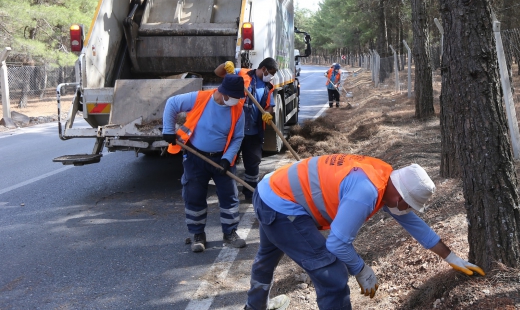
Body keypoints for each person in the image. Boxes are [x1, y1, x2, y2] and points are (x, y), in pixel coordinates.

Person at [243, 154, 484, 310]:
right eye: (409, 205)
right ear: (400, 197)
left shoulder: (383, 178)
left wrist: (451, 257)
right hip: (281, 206)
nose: (408, 210)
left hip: (270, 190)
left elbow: (413, 223)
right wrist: (361, 269)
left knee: (267, 258)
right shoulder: (367, 193)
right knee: (334, 275)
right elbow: (336, 244)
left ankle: (254, 307)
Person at [162, 75, 248, 253]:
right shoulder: (199, 98)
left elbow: (238, 137)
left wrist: (227, 158)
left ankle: (230, 233)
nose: (236, 100)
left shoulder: (238, 109)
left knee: (229, 196)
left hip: (221, 159)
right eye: (234, 97)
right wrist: (168, 130)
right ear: (223, 93)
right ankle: (197, 235)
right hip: (195, 157)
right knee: (194, 195)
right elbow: (171, 103)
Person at [215, 58, 278, 203]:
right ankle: (227, 193)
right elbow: (218, 72)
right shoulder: (240, 73)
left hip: (253, 132)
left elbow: (270, 105)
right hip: (234, 130)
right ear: (264, 69)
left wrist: (267, 113)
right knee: (228, 162)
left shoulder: (268, 86)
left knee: (253, 163)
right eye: (271, 72)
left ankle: (250, 193)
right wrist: (225, 65)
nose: (271, 76)